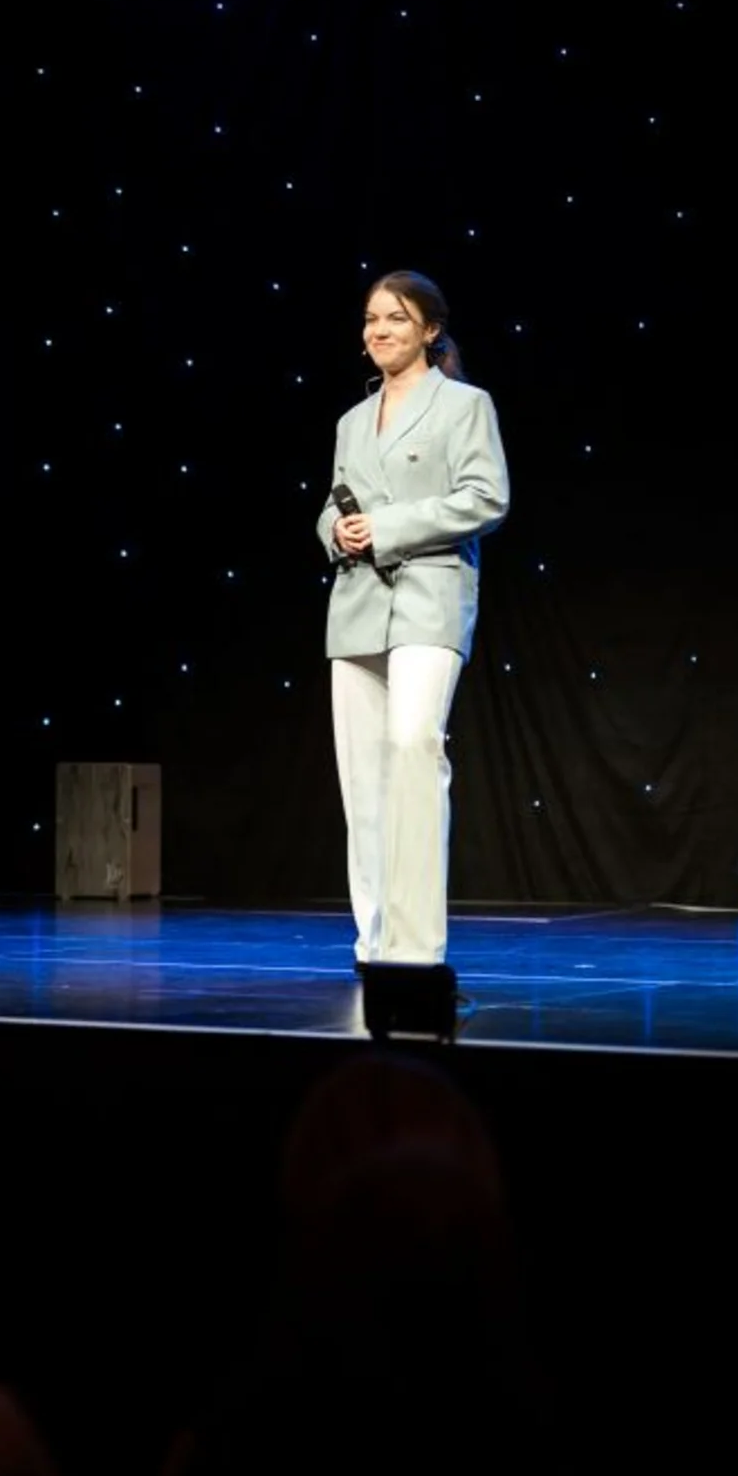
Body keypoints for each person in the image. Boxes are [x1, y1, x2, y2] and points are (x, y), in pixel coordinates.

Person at [316, 271, 509, 972]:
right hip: (357, 606)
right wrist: (337, 531)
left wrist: (388, 527)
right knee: (362, 780)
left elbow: (486, 497)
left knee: (412, 749)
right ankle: (373, 943)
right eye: (372, 318)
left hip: (429, 597)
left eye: (396, 317)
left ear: (430, 329)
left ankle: (416, 948)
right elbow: (333, 504)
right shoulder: (351, 420)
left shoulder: (464, 405)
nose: (379, 330)